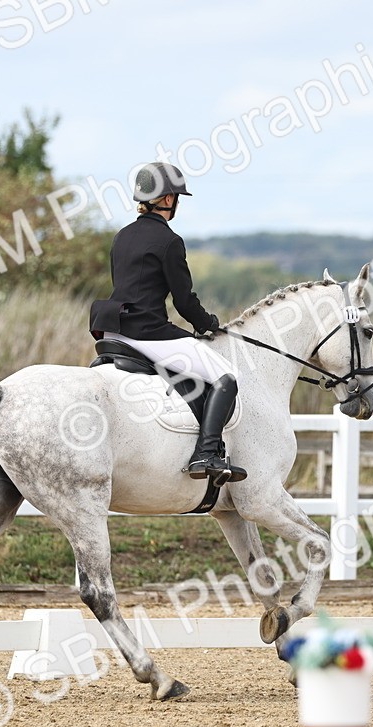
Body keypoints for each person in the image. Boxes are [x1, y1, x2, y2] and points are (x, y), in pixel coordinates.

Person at [89, 162, 247, 485]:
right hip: (147, 333)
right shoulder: (169, 241)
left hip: (112, 330)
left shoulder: (121, 237)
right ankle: (206, 452)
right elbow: (184, 301)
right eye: (175, 196)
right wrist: (209, 324)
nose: (177, 202)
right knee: (226, 377)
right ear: (167, 200)